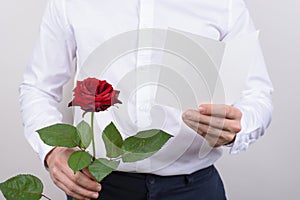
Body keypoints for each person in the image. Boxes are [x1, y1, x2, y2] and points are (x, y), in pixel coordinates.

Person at [19, 0, 273, 199]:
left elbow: (256, 95)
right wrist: (52, 151)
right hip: (96, 185)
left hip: (194, 188)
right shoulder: (71, 2)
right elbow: (38, 87)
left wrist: (240, 127)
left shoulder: (224, 3)